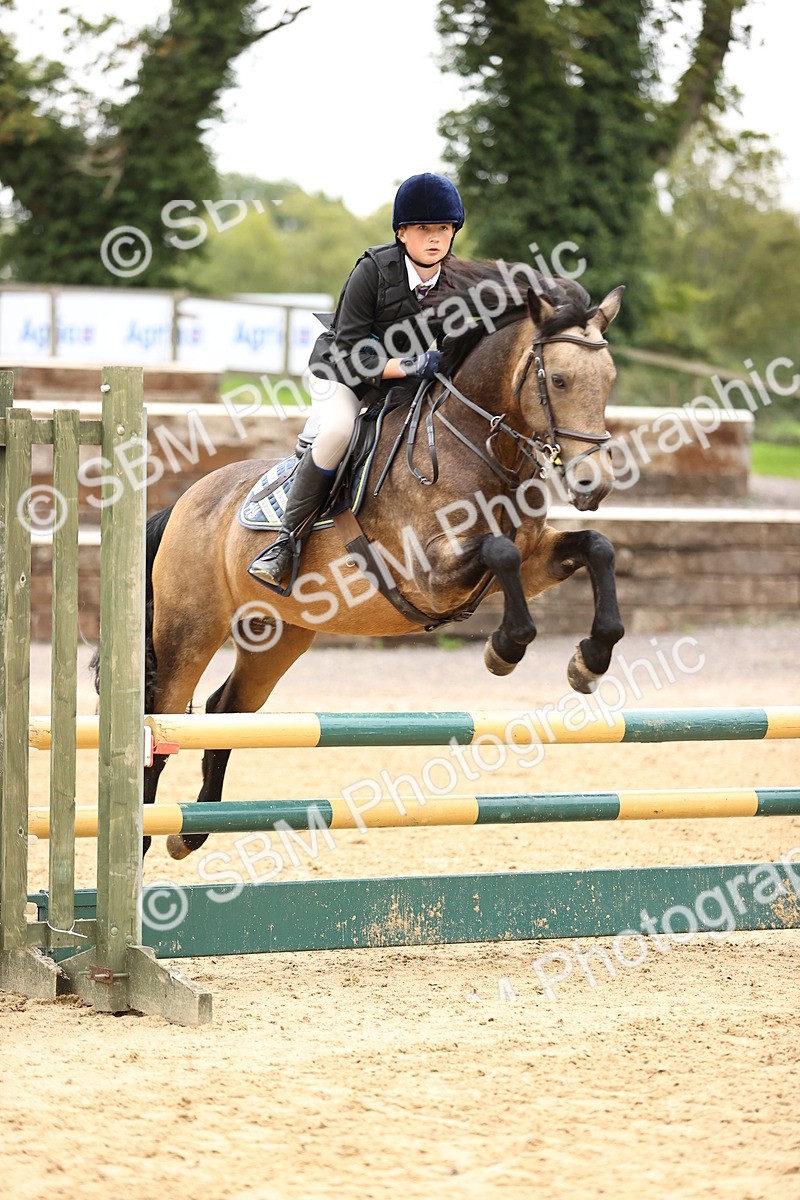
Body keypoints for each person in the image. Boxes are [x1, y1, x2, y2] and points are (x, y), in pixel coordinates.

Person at [248, 171, 465, 587]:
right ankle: (285, 545)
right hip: (341, 374)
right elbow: (349, 350)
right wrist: (407, 366)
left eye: (443, 228)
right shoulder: (373, 271)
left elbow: (453, 346)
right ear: (402, 233)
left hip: (402, 386)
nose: (435, 237)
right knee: (338, 431)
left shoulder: (455, 282)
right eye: (424, 229)